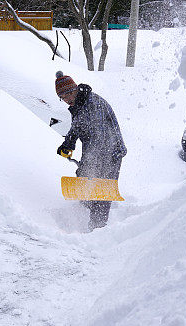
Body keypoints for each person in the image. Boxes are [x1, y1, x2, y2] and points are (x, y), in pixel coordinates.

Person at [55, 71, 127, 230]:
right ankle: (85, 213)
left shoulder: (94, 105)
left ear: (75, 89)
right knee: (85, 182)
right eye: (63, 98)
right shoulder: (78, 103)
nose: (67, 100)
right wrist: (68, 143)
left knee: (101, 189)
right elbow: (77, 126)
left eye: (68, 94)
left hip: (111, 152)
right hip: (94, 149)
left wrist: (89, 164)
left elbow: (101, 140)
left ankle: (97, 229)